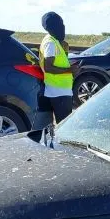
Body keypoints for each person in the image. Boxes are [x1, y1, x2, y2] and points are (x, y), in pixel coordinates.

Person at [39, 12, 73, 146]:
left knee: (58, 127)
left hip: (59, 90)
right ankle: (63, 152)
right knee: (64, 128)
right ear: (54, 26)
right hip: (58, 92)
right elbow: (49, 67)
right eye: (60, 23)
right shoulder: (50, 43)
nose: (63, 27)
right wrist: (70, 70)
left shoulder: (53, 41)